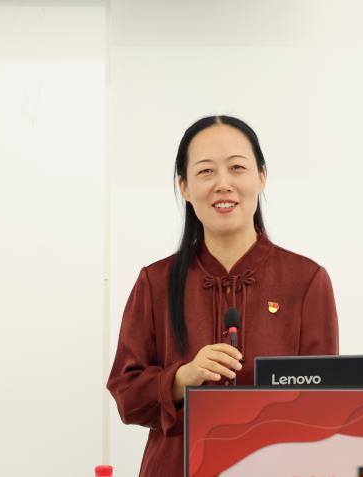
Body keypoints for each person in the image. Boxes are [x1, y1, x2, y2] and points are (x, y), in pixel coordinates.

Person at [106, 115, 339, 476]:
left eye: (236, 168)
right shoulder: (155, 281)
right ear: (184, 187)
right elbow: (126, 396)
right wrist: (182, 378)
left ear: (261, 177)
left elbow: (325, 403)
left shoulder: (306, 280)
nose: (223, 184)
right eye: (206, 172)